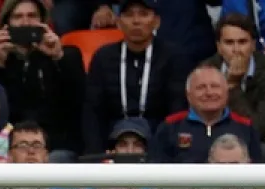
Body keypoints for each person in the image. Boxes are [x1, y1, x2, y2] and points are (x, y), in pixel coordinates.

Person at [79, 0, 189, 156]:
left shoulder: (174, 57)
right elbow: (93, 111)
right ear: (118, 22)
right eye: (129, 15)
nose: (136, 21)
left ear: (156, 21)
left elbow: (177, 110)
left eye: (143, 14)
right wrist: (97, 154)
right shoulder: (103, 57)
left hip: (158, 141)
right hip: (113, 141)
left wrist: (164, 150)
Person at [0, 0, 86, 160]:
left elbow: (80, 101)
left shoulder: (67, 56)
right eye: (18, 17)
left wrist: (58, 58)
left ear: (43, 22)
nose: (25, 22)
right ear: (6, 24)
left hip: (56, 146)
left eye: (32, 16)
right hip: (9, 146)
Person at [206, 13, 265, 161]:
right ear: (219, 47)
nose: (236, 50)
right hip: (216, 139)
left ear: (253, 45)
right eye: (229, 43)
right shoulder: (207, 70)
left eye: (242, 42)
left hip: (258, 144)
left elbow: (258, 130)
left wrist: (232, 86)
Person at [148, 65, 261, 163]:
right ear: (188, 95)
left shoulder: (245, 127)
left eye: (215, 86)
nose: (209, 93)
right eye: (201, 87)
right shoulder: (170, 127)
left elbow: (259, 175)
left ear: (226, 92)